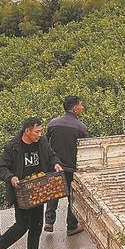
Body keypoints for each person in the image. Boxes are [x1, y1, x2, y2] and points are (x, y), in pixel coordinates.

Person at [0, 117, 63, 249]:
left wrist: (56, 163)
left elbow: (52, 155)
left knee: (37, 225)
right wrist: (11, 177)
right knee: (22, 225)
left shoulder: (42, 142)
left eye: (40, 131)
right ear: (27, 131)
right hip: (22, 193)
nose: (40, 134)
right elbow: (1, 168)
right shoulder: (12, 147)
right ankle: (0, 243)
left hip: (38, 190)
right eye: (37, 131)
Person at [44, 96, 89, 235]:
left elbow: (46, 143)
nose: (82, 107)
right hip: (71, 168)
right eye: (80, 105)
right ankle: (71, 226)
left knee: (54, 193)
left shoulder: (53, 123)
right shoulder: (81, 127)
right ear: (75, 108)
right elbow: (86, 149)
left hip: (55, 166)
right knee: (73, 197)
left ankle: (49, 222)